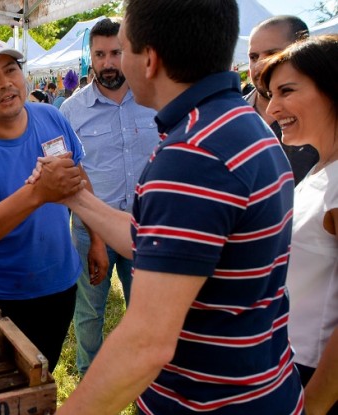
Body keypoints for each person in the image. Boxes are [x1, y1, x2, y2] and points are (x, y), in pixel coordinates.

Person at [43, 0, 303, 413]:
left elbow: (146, 342)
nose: (116, 62)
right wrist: (75, 196)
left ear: (149, 60)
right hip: (259, 386)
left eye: (123, 48)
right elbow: (154, 242)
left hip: (209, 402)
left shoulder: (193, 155)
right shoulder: (239, 123)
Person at [0, 36, 108, 372]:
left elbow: (79, 178)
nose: (5, 84)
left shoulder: (50, 116)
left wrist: (99, 240)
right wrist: (36, 193)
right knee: (12, 384)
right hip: (4, 298)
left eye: (10, 71)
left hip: (61, 285)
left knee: (43, 375)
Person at [58, 17, 160, 377]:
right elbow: (69, 179)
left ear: (127, 51)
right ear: (90, 57)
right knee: (89, 311)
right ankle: (90, 375)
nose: (108, 63)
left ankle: (143, 377)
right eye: (99, 54)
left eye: (115, 52)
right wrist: (98, 236)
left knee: (146, 311)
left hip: (148, 229)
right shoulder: (71, 111)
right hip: (91, 230)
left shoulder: (154, 99)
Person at [261, 34, 338, 415]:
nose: (272, 108)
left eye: (286, 91)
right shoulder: (321, 168)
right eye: (271, 95)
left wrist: (316, 404)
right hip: (290, 361)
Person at [246, 15, 319, 185]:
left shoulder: (324, 118)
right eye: (254, 57)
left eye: (273, 54)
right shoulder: (228, 115)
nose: (259, 65)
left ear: (302, 52)